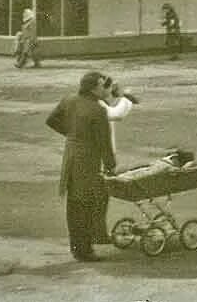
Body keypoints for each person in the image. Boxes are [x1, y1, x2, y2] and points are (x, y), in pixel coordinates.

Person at [46, 72, 116, 262]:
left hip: (70, 157)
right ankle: (84, 250)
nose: (105, 89)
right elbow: (104, 144)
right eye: (102, 86)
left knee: (74, 204)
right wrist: (111, 166)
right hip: (87, 161)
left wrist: (71, 134)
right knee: (87, 203)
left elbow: (51, 120)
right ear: (93, 88)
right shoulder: (97, 111)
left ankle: (78, 247)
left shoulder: (68, 100)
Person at [99, 76, 139, 156]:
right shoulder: (97, 103)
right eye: (110, 88)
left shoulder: (85, 99)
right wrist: (126, 96)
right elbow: (117, 115)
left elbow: (110, 107)